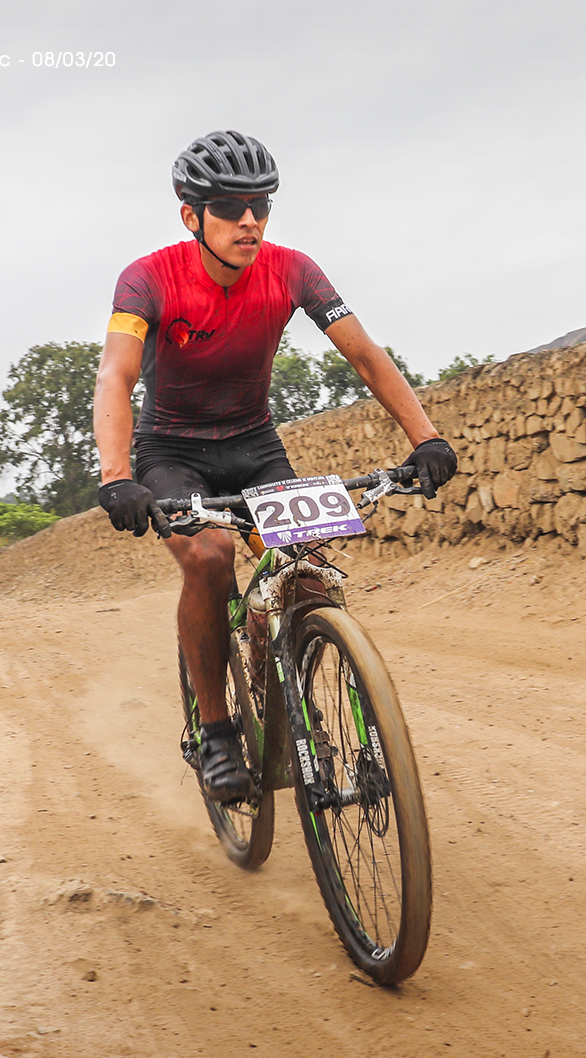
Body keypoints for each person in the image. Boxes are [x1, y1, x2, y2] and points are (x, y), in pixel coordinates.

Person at [92, 129, 456, 804]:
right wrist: (118, 477)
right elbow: (116, 375)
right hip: (172, 453)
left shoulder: (293, 270)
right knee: (210, 557)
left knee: (307, 569)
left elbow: (364, 354)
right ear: (191, 216)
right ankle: (216, 732)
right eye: (230, 208)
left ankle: (280, 674)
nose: (249, 221)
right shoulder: (147, 279)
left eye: (260, 205)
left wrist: (425, 439)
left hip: (255, 446)